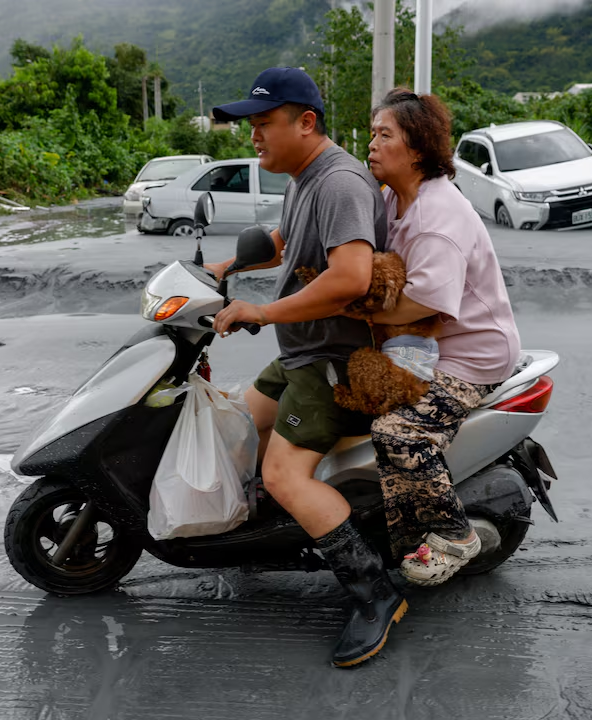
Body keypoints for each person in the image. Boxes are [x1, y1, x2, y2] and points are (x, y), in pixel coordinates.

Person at [206, 67, 405, 668]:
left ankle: (375, 593)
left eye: (264, 123)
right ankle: (274, 535)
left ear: (306, 122)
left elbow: (351, 278)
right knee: (238, 424)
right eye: (252, 125)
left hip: (333, 363)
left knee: (283, 476)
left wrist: (262, 310)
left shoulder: (339, 182)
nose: (254, 136)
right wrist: (224, 269)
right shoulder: (304, 179)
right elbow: (286, 240)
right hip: (301, 354)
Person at [365, 88, 521, 587]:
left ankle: (455, 534)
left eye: (384, 135)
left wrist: (349, 307)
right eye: (372, 133)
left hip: (471, 353)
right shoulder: (391, 198)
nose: (371, 144)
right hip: (423, 345)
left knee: (399, 433)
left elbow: (425, 301)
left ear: (416, 149)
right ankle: (405, 537)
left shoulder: (437, 217)